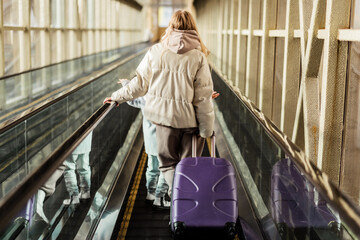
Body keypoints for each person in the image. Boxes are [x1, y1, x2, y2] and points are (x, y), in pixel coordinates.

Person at [104, 10, 215, 196]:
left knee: (168, 165)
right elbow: (203, 98)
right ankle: (185, 200)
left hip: (163, 121)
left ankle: (177, 197)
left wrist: (117, 96)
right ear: (193, 28)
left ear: (171, 26)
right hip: (189, 122)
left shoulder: (155, 52)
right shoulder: (198, 57)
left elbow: (138, 86)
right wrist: (206, 130)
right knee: (187, 166)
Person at [120, 79, 170, 209]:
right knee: (166, 168)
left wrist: (126, 84)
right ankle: (159, 198)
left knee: (152, 167)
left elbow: (131, 100)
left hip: (150, 139)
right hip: (165, 138)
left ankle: (150, 194)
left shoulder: (146, 97)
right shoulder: (167, 97)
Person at [63, 132, 93, 205]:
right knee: (84, 168)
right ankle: (85, 193)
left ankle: (74, 196)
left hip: (72, 141)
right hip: (86, 140)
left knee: (69, 168)